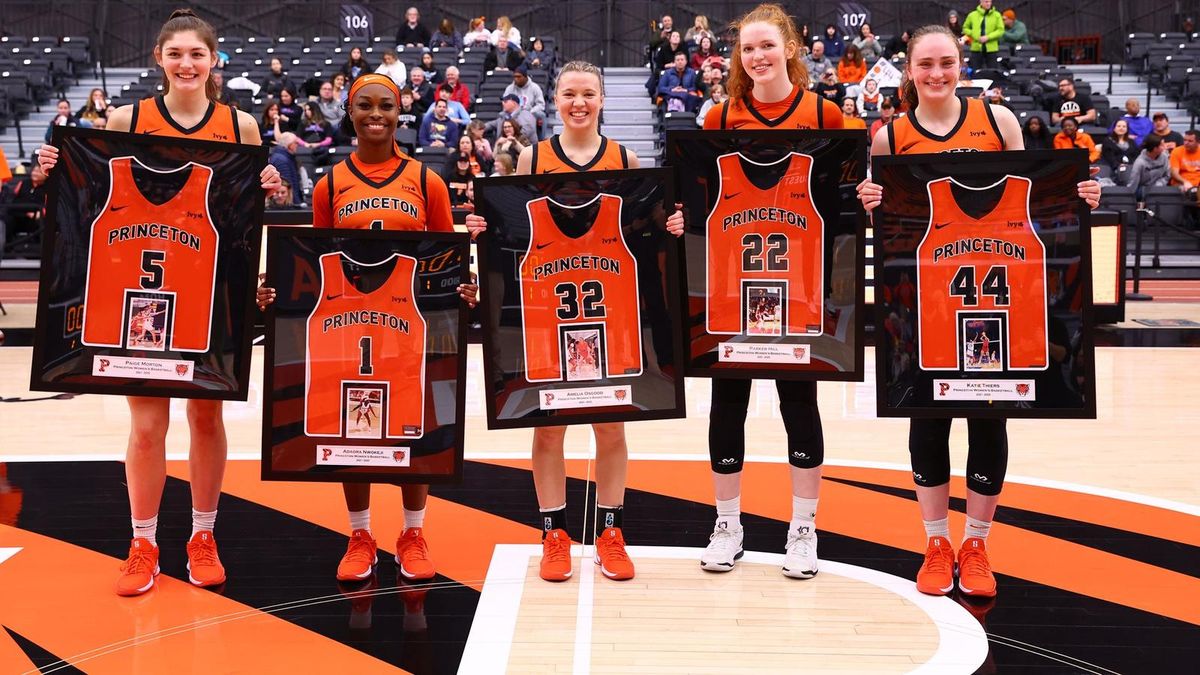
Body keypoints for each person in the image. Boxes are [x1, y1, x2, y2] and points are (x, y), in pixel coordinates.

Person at [37, 8, 282, 597]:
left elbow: (244, 219)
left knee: (205, 417)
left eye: (197, 54)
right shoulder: (128, 118)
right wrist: (56, 173)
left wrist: (269, 191)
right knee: (147, 426)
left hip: (210, 289)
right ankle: (143, 542)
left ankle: (203, 535)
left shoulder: (241, 126)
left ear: (213, 60)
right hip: (140, 294)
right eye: (176, 54)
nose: (186, 64)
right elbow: (93, 199)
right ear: (159, 58)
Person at [856, 24, 1099, 599]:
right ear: (909, 70)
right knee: (926, 416)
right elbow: (889, 222)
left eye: (946, 62)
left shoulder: (999, 121)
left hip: (998, 294)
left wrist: (1078, 196)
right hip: (928, 298)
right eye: (925, 64)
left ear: (960, 64)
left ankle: (978, 544)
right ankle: (936, 542)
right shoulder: (890, 137)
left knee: (991, 416)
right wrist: (870, 202)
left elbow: (1034, 200)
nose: (936, 73)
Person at [258, 73, 477, 586]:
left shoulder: (426, 181)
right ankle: (360, 534)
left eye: (385, 105)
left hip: (406, 322)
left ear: (399, 113)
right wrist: (278, 291)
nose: (375, 114)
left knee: (414, 424)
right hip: (346, 323)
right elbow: (314, 261)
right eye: (364, 105)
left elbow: (442, 257)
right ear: (350, 113)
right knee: (351, 426)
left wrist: (462, 289)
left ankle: (413, 533)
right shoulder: (331, 183)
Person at [663, 2, 844, 580]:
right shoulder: (719, 117)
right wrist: (680, 218)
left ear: (789, 48)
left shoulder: (825, 113)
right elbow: (697, 200)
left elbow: (840, 204)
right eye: (747, 48)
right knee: (727, 403)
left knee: (800, 404)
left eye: (767, 45)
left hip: (799, 285)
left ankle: (804, 529)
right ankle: (727, 525)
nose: (758, 56)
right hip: (733, 283)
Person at [465, 61, 641, 584]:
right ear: (556, 100)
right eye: (569, 94)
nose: (579, 103)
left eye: (588, 93)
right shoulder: (532, 157)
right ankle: (554, 534)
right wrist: (483, 223)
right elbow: (512, 228)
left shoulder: (626, 159)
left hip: (607, 310)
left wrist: (670, 223)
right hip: (548, 307)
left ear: (602, 99)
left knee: (610, 427)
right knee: (548, 428)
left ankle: (610, 531)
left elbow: (641, 233)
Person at [505, 65, 547, 136]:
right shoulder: (510, 88)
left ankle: (542, 139)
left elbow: (541, 105)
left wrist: (531, 112)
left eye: (519, 77)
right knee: (502, 115)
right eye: (515, 77)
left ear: (525, 77)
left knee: (541, 115)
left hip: (530, 112)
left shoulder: (535, 87)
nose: (516, 79)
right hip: (514, 113)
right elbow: (505, 103)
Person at [963, 0, 1004, 72]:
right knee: (975, 72)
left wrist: (988, 37)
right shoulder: (972, 15)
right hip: (976, 48)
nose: (988, 4)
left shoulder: (997, 15)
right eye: (986, 1)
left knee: (992, 72)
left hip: (991, 49)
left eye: (990, 2)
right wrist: (975, 36)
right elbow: (965, 28)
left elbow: (1000, 30)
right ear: (981, 2)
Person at [269, 132, 304, 206]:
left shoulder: (285, 157)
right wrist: (297, 204)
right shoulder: (281, 160)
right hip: (286, 205)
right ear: (290, 145)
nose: (297, 145)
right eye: (295, 143)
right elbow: (288, 184)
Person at [1169, 129, 1200, 199]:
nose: (1186, 143)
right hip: (1181, 184)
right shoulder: (1177, 151)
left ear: (1198, 142)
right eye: (1185, 140)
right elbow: (1174, 173)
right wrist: (1185, 182)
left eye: (1190, 141)